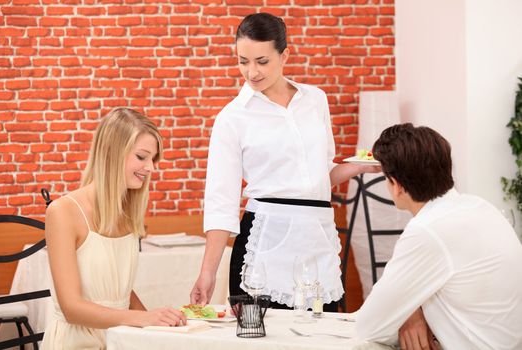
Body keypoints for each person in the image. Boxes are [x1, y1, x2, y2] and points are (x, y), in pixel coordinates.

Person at [190, 12, 378, 311]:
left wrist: (359, 166)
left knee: (323, 336)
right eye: (243, 61)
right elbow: (220, 202)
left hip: (316, 238)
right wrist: (207, 272)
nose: (251, 72)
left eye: (261, 61)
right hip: (265, 241)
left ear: (284, 55)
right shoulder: (232, 118)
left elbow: (320, 174)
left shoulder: (315, 100)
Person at [355, 123, 522, 349]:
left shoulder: (427, 230)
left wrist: (406, 308)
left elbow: (368, 325)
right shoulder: (480, 207)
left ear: (397, 186)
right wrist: (411, 311)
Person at [42, 108, 186, 349]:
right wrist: (143, 319)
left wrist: (159, 327)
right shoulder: (62, 212)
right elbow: (72, 309)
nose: (151, 168)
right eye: (142, 157)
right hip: (77, 342)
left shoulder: (127, 213)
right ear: (111, 153)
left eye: (153, 159)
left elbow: (120, 295)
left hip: (119, 338)